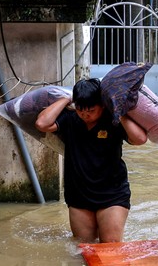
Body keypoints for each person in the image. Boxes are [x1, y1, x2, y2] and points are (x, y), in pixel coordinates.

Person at [35, 78, 147, 242]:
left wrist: (118, 111)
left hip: (112, 194)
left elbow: (140, 139)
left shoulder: (113, 120)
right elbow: (42, 123)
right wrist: (67, 98)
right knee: (84, 248)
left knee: (111, 247)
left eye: (91, 110)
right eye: (81, 110)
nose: (85, 115)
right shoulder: (70, 119)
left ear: (102, 105)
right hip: (79, 195)